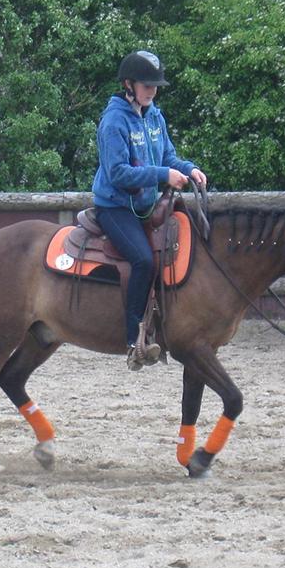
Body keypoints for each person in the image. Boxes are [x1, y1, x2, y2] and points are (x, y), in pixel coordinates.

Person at [91, 50, 207, 370]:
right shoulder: (113, 121)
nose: (152, 91)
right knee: (142, 259)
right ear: (128, 84)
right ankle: (133, 338)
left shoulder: (154, 115)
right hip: (115, 207)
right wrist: (162, 176)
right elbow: (117, 173)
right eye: (146, 85)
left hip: (146, 205)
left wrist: (189, 168)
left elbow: (168, 156)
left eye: (155, 86)